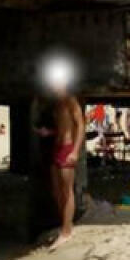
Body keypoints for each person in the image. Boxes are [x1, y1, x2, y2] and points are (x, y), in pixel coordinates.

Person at [37, 89, 84, 251]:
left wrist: (75, 151)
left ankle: (66, 232)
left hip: (67, 148)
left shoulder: (71, 100)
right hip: (56, 148)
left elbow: (80, 126)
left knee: (67, 191)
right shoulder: (56, 104)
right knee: (56, 191)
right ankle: (66, 222)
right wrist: (48, 132)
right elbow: (63, 127)